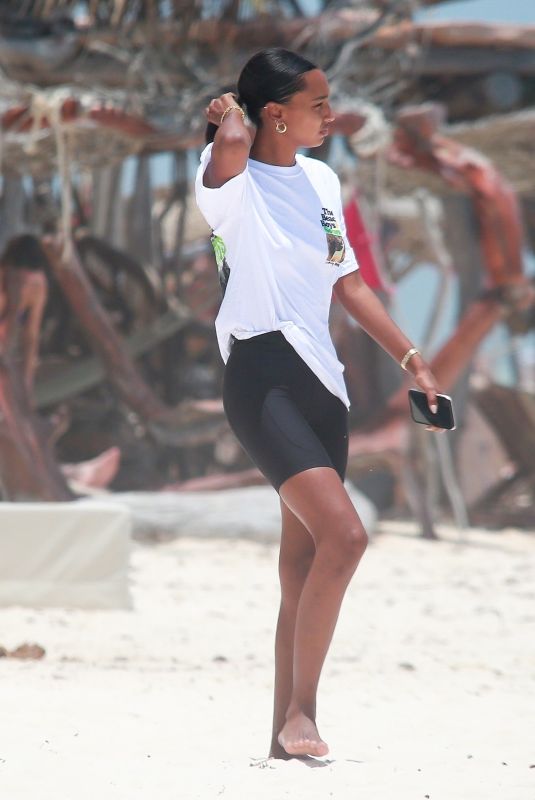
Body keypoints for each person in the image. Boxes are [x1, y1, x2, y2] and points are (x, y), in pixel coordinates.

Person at [195, 48, 441, 760]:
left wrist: (413, 361)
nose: (330, 116)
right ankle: (304, 713)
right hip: (260, 376)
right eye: (317, 105)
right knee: (347, 536)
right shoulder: (228, 185)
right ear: (276, 114)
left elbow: (349, 285)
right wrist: (229, 122)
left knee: (300, 570)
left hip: (322, 385)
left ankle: (281, 737)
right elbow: (226, 159)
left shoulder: (324, 181)